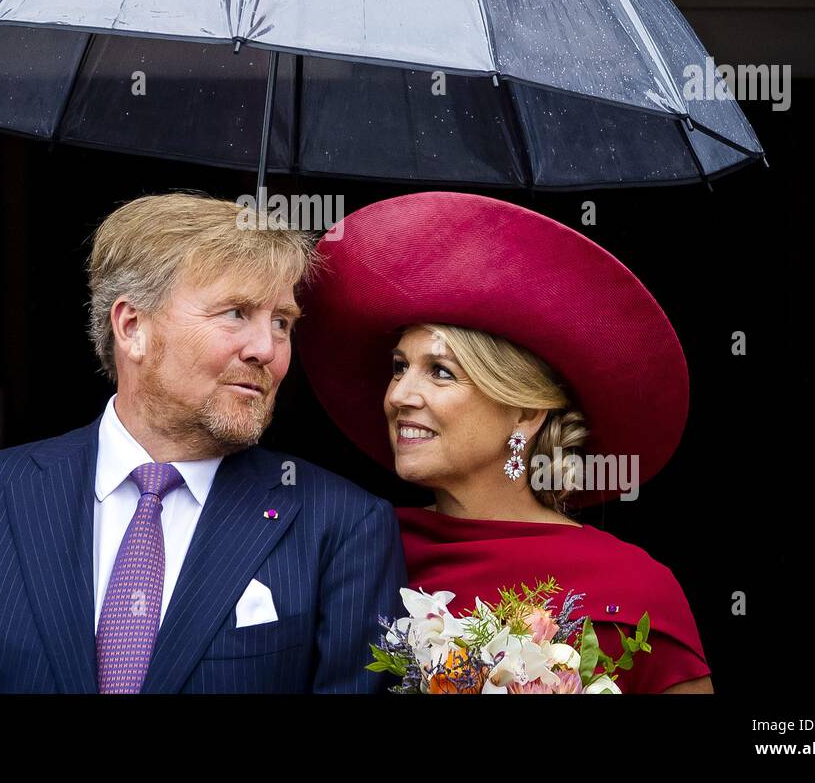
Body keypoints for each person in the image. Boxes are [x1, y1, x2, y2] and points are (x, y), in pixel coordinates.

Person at [0, 191, 406, 693]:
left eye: (283, 322)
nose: (267, 349)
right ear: (132, 327)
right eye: (236, 313)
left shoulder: (343, 526)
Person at [297, 191, 713, 693]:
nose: (399, 395)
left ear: (526, 412)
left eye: (441, 372)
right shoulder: (351, 551)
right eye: (399, 367)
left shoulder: (634, 587)